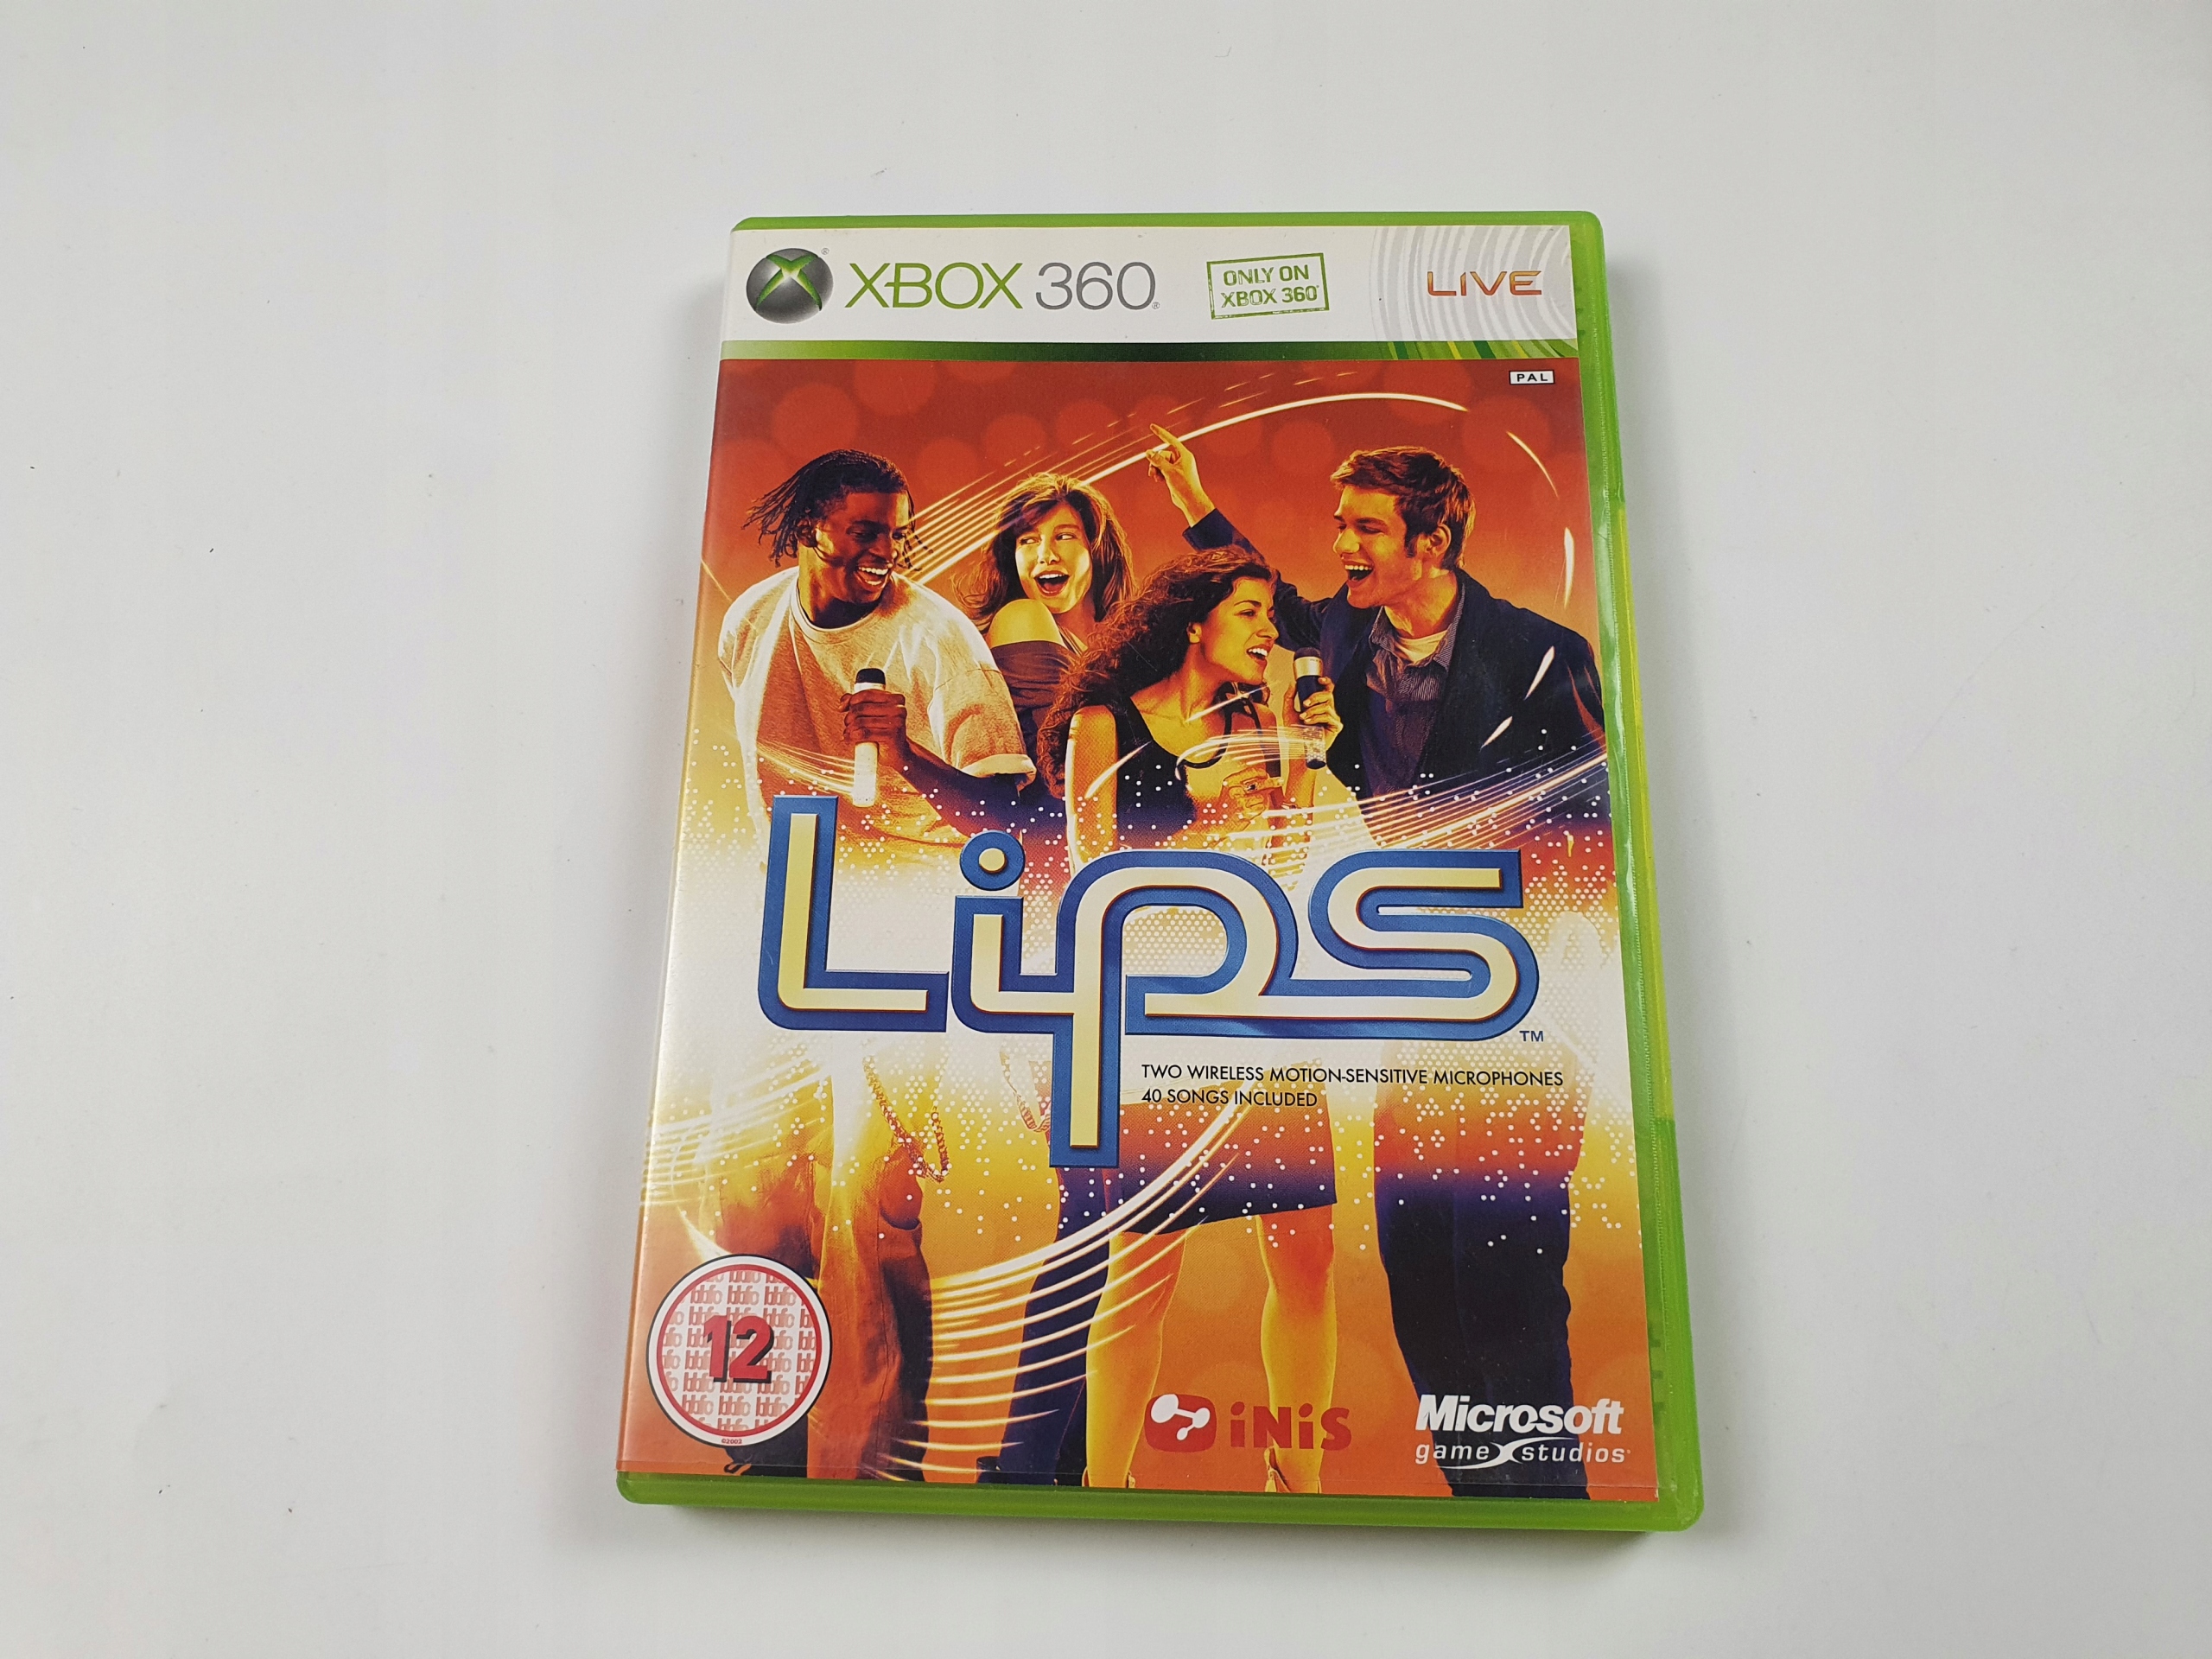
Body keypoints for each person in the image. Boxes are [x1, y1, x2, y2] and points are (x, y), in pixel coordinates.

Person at [1144, 430, 1603, 1497]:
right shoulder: (1345, 634)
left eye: (1364, 528)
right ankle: (1481, 1506)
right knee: (1418, 1272)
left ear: (1431, 541)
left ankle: (1544, 1510)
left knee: (1507, 1279)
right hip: (1407, 998)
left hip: (1520, 1002)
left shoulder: (1541, 654)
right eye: (1337, 522)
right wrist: (1196, 504)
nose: (1341, 543)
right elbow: (1274, 604)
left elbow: (1597, 833)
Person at [983, 546, 1345, 1494]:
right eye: (1250, 611)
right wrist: (1196, 807)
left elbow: (1289, 862)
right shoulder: (1103, 723)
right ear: (1195, 621)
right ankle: (1106, 1487)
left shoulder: (1260, 723)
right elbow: (1092, 880)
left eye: (1271, 616)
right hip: (1154, 1020)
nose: (1268, 631)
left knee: (1309, 1254)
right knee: (1143, 1269)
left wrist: (1307, 757)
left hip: (1258, 1005)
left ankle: (1297, 1485)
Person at [717, 448, 1033, 837]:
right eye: (865, 534)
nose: (887, 552)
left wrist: (906, 756)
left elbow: (1005, 818)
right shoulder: (749, 619)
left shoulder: (940, 640)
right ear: (807, 530)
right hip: (791, 868)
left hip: (911, 871)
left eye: (897, 535)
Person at [962, 473, 1134, 874]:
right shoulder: (1023, 617)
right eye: (1027, 540)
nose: (1046, 555)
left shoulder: (1121, 655)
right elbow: (1061, 768)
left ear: (1097, 550)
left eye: (1065, 536)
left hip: (1114, 859)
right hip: (1054, 861)